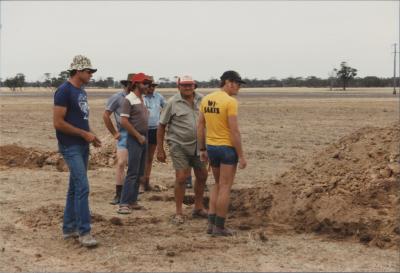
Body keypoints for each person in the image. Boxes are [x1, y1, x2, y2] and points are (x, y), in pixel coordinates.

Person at [53, 55, 101, 247]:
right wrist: (83, 134)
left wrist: (92, 135)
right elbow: (58, 122)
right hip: (70, 146)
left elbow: (81, 119)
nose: (91, 75)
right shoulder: (64, 91)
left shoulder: (81, 91)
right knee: (83, 187)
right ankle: (84, 232)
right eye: (89, 71)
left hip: (82, 144)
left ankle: (69, 228)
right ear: (78, 71)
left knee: (74, 188)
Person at [197, 70, 247, 236]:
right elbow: (234, 131)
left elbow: (200, 126)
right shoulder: (230, 102)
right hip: (226, 149)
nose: (239, 88)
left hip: (211, 147)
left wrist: (202, 148)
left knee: (217, 184)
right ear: (229, 82)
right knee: (225, 187)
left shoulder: (206, 99)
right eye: (238, 84)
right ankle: (220, 226)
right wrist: (241, 156)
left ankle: (211, 225)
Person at [157, 75, 208, 224]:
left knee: (202, 175)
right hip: (178, 145)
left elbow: (208, 122)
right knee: (181, 177)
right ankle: (178, 212)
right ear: (178, 87)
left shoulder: (203, 100)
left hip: (199, 146)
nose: (187, 88)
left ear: (194, 86)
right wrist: (160, 149)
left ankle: (198, 207)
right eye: (184, 85)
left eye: (190, 85)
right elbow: (161, 126)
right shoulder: (172, 102)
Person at [117, 73, 151, 214]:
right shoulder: (129, 99)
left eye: (148, 83)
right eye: (145, 83)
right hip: (135, 139)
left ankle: (133, 200)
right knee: (132, 172)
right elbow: (124, 121)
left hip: (144, 138)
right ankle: (124, 203)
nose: (147, 86)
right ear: (136, 84)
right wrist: (137, 136)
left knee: (139, 172)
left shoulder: (142, 99)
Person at [103, 74, 134, 205]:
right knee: (121, 163)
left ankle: (131, 194)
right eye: (132, 84)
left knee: (134, 166)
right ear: (126, 84)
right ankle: (118, 194)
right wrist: (114, 133)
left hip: (138, 134)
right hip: (124, 134)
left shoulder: (139, 98)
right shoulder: (117, 98)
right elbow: (106, 115)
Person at [141, 76, 166, 192]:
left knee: (150, 158)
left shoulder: (159, 97)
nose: (151, 88)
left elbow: (166, 108)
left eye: (153, 86)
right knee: (141, 157)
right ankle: (140, 182)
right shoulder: (141, 97)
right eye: (149, 86)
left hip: (154, 130)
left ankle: (146, 181)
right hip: (142, 130)